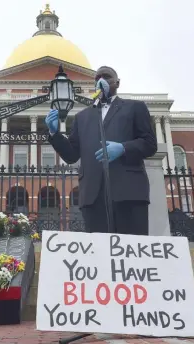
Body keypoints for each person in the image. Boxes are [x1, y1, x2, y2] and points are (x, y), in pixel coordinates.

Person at [45, 66, 157, 235]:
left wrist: (123, 148)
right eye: (97, 78)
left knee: (131, 253)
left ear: (117, 83)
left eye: (106, 77)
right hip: (93, 197)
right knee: (99, 254)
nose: (101, 81)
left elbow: (150, 144)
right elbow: (71, 155)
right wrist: (54, 134)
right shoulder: (82, 117)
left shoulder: (135, 107)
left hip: (129, 193)